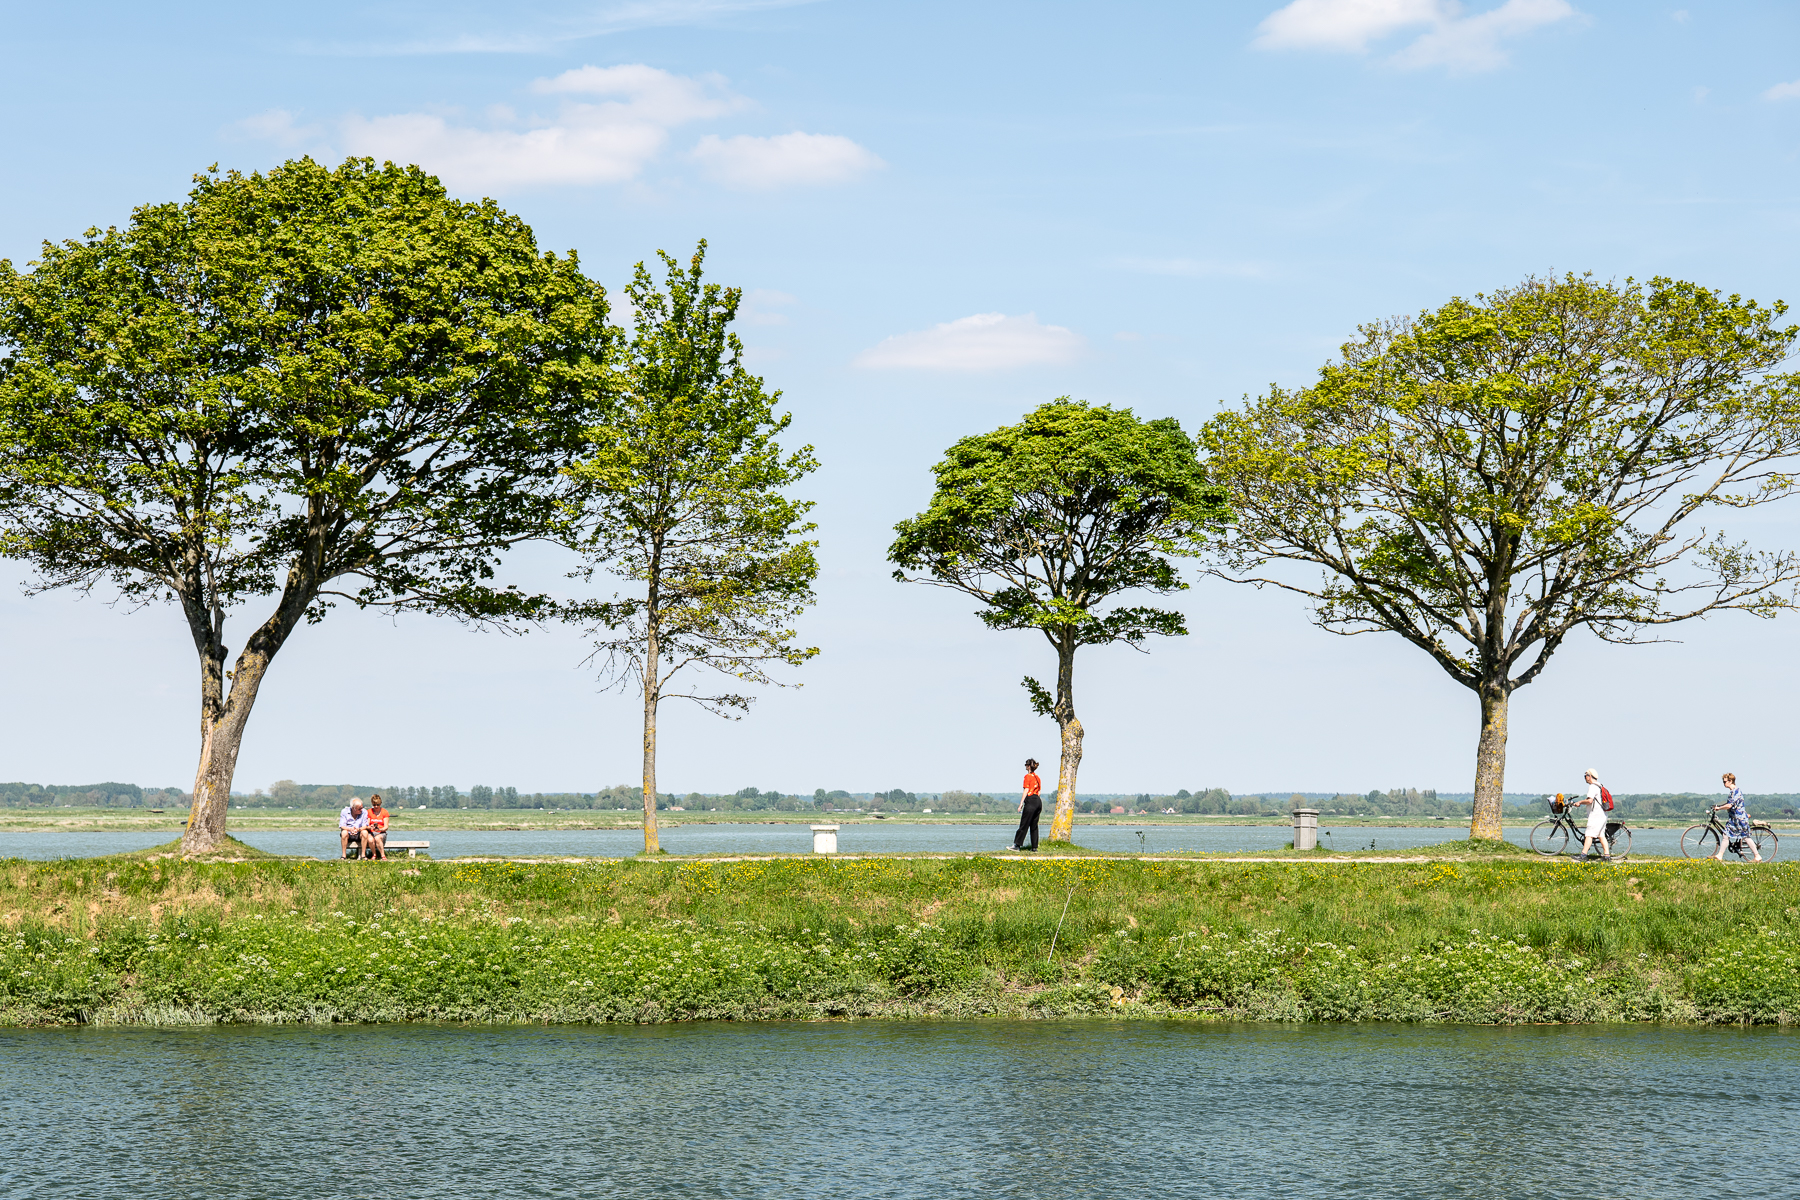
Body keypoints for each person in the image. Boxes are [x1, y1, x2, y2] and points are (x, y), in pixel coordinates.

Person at [1711, 772, 1762, 863]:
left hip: (1739, 819)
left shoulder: (1735, 791)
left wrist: (1719, 808)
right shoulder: (1733, 791)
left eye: (1725, 781)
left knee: (1745, 837)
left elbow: (1730, 805)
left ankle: (1757, 856)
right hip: (1734, 819)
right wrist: (1720, 806)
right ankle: (1720, 855)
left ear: (1730, 781)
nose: (1724, 783)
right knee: (1726, 835)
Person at [1576, 768, 1613, 861]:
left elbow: (1590, 800)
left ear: (1590, 776)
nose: (1585, 778)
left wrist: (1580, 802)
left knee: (1589, 835)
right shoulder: (1599, 786)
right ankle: (1607, 856)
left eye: (1585, 776)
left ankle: (1583, 855)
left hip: (1596, 815)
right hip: (1603, 814)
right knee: (1601, 835)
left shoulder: (1592, 786)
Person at [1011, 758, 1043, 851]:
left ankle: (1017, 845)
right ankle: (1034, 847)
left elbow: (1026, 790)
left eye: (1026, 765)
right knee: (1034, 825)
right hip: (1038, 801)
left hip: (1031, 801)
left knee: (1024, 824)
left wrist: (1021, 803)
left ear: (1028, 766)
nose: (1025, 766)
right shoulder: (1037, 777)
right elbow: (1039, 792)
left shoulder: (1027, 776)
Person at [365, 794, 391, 861]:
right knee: (370, 839)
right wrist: (370, 827)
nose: (376, 806)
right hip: (371, 832)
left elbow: (386, 827)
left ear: (380, 804)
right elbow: (367, 825)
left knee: (377, 838)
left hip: (381, 832)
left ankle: (383, 855)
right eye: (374, 805)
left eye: (378, 804)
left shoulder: (384, 812)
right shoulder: (369, 812)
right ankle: (374, 854)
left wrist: (379, 829)